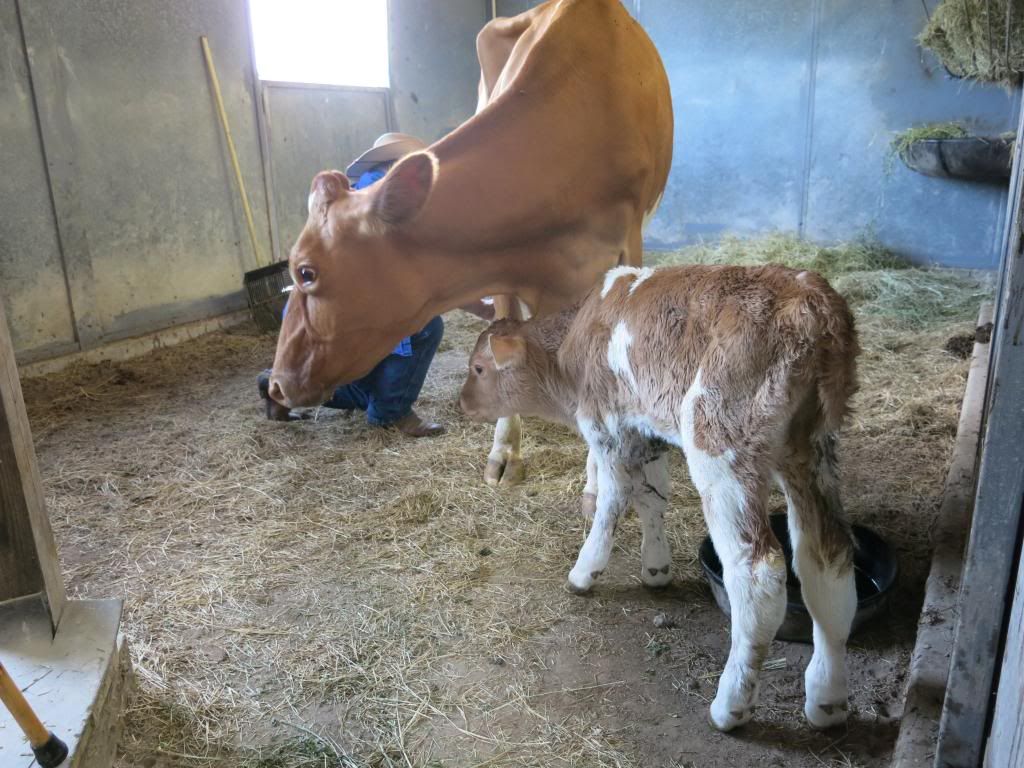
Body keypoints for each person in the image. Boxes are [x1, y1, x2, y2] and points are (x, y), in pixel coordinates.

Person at [258, 133, 491, 437]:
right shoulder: (386, 202)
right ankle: (391, 413)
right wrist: (477, 303)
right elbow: (423, 269)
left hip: (321, 307)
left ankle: (278, 386)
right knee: (424, 327)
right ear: (401, 168)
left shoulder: (360, 194)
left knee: (366, 366)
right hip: (337, 307)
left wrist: (478, 304)